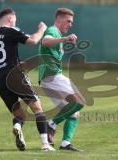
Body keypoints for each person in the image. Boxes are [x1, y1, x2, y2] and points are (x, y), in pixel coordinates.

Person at [0, 8, 55, 151]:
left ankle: (17, 126)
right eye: (15, 20)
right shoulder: (10, 31)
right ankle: (45, 144)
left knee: (19, 114)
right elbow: (34, 40)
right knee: (37, 108)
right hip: (15, 75)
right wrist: (42, 29)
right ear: (11, 19)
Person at [38, 8, 85, 151]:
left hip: (49, 78)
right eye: (68, 21)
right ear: (59, 19)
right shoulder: (53, 31)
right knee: (80, 101)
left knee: (73, 111)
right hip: (51, 76)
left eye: (71, 22)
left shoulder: (56, 33)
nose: (70, 24)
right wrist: (65, 39)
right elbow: (45, 42)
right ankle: (51, 124)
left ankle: (65, 143)